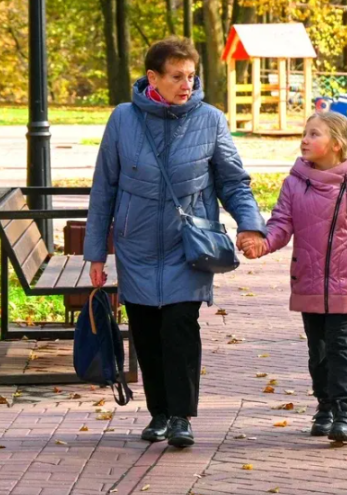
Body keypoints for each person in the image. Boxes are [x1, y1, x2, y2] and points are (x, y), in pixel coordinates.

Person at [84, 36, 266, 448]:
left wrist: (250, 225)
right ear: (153, 77)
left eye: (191, 76)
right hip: (137, 243)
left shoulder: (210, 120)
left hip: (190, 243)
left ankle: (181, 416)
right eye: (177, 76)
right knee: (147, 329)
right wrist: (96, 253)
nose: (187, 84)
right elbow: (104, 189)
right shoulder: (123, 119)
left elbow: (234, 181)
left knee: (180, 325)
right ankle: (160, 413)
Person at [242, 112, 347, 443]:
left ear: (336, 144)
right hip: (309, 280)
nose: (305, 139)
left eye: (313, 134)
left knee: (341, 345)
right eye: (305, 133)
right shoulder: (294, 183)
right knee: (318, 351)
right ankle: (325, 406)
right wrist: (262, 244)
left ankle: (345, 412)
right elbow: (280, 224)